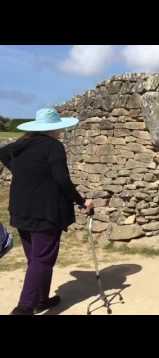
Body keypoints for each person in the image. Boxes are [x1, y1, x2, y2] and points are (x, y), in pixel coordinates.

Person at [0, 108, 93, 315]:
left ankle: (41, 299)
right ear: (53, 128)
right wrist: (81, 201)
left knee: (36, 259)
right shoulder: (54, 147)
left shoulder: (23, 144)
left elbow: (3, 153)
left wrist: (24, 173)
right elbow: (62, 180)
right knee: (41, 259)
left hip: (21, 209)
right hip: (45, 212)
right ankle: (24, 308)